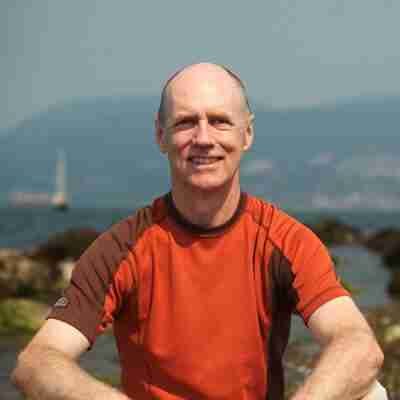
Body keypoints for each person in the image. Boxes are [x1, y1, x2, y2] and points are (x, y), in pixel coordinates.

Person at [12, 63, 386, 400]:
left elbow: (357, 344)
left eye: (220, 121)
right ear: (161, 136)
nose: (204, 138)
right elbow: (37, 363)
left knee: (369, 392)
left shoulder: (284, 241)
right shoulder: (122, 247)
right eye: (186, 122)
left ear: (247, 134)